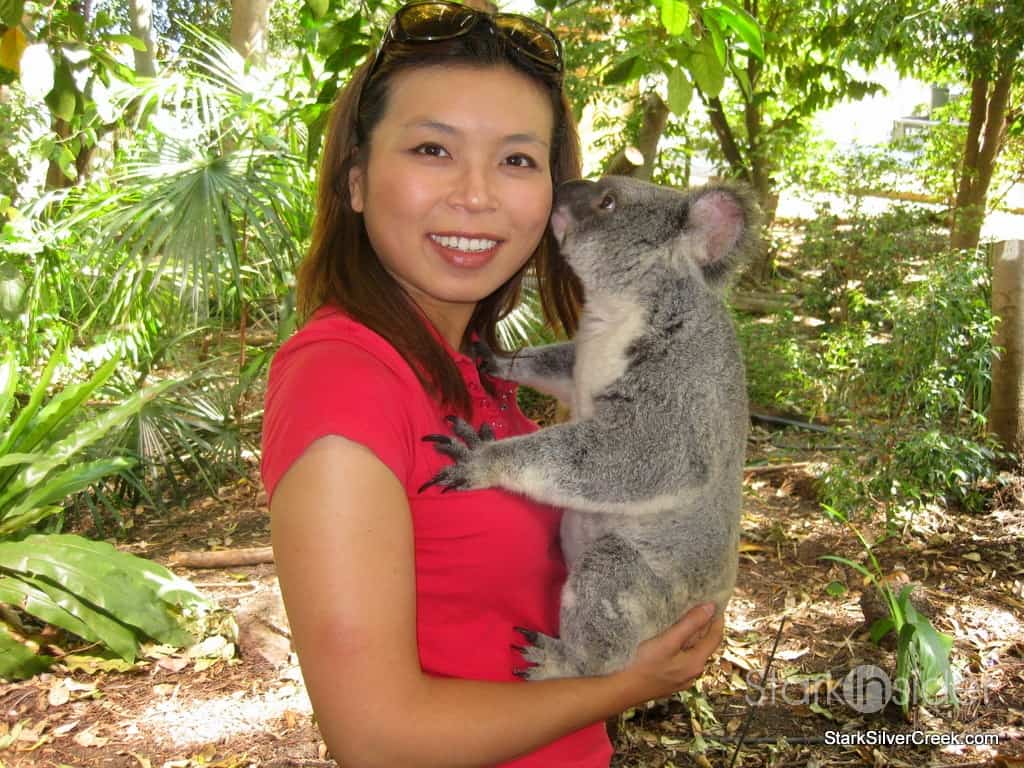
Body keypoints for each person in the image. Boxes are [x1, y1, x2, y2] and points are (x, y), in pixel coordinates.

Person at [260, 2, 725, 766]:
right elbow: (376, 741)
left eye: (517, 160)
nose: (476, 194)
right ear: (356, 182)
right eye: (432, 149)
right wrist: (628, 682)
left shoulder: (469, 367)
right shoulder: (344, 380)